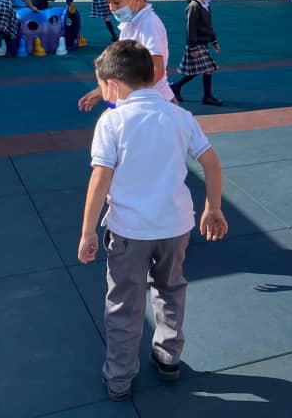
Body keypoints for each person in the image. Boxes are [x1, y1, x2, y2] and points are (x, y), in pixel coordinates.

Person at [77, 40, 228, 402]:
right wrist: (213, 207)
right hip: (175, 227)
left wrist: (87, 231)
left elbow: (100, 178)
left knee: (125, 302)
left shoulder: (112, 121)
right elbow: (210, 162)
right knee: (171, 289)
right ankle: (168, 357)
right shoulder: (180, 117)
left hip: (129, 232)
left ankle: (119, 377)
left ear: (112, 85)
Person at [78, 0, 175, 111]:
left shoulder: (149, 24)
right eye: (108, 2)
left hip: (156, 103)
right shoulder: (130, 23)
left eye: (116, 2)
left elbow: (157, 70)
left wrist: (128, 97)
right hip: (143, 101)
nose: (111, 8)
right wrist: (101, 91)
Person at [170, 0, 223, 106]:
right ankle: (207, 96)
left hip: (203, 43)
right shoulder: (194, 6)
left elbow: (208, 26)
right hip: (196, 44)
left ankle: (176, 87)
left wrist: (214, 41)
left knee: (198, 70)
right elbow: (191, 28)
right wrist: (192, 47)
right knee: (208, 69)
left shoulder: (205, 5)